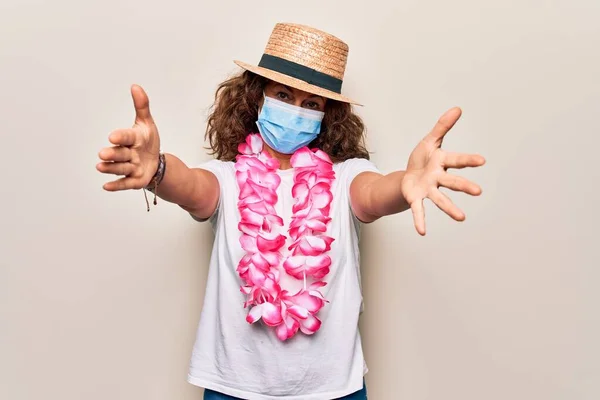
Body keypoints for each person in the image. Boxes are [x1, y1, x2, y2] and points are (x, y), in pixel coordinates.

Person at [96, 23, 485, 400]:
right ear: (256, 98)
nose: (295, 111)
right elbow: (193, 187)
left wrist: (406, 184)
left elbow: (373, 194)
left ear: (327, 115)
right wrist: (158, 170)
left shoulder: (345, 176)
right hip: (233, 389)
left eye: (311, 104)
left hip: (333, 391)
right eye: (282, 95)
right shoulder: (228, 179)